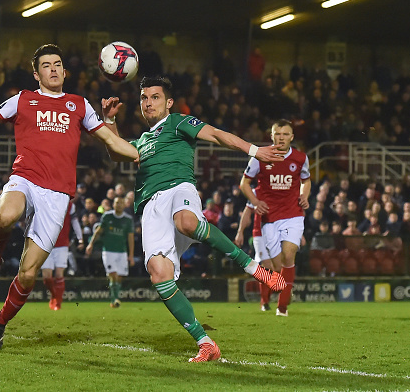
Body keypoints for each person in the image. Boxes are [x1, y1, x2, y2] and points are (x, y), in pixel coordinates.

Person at [0, 44, 138, 352]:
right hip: (25, 179)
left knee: (27, 275)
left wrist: (141, 154)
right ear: (36, 73)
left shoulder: (79, 105)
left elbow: (110, 140)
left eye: (58, 64)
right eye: (46, 65)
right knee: (5, 216)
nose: (53, 69)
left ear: (64, 71)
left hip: (57, 196)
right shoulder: (24, 100)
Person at [105, 76, 285, 363]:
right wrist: (109, 121)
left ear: (169, 103)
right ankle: (205, 343)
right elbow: (117, 153)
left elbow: (215, 134)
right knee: (159, 275)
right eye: (144, 98)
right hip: (151, 207)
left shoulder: (178, 122)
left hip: (178, 189)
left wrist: (255, 151)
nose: (148, 102)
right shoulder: (142, 141)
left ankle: (252, 267)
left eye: (155, 97)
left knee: (187, 222)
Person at [240, 118, 311, 317]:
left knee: (289, 256)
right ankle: (266, 300)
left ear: (291, 137)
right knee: (273, 265)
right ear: (271, 136)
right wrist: (255, 202)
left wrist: (304, 195)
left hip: (293, 215)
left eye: (285, 134)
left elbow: (306, 180)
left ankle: (282, 307)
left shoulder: (300, 158)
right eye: (277, 134)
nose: (281, 138)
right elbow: (244, 184)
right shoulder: (260, 157)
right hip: (269, 219)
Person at [85, 196, 134, 308]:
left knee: (120, 276)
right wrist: (91, 244)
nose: (119, 205)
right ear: (113, 204)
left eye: (121, 203)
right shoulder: (107, 217)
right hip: (108, 251)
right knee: (113, 275)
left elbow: (130, 238)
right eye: (117, 203)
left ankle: (114, 299)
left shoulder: (128, 220)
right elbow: (98, 231)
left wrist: (130, 255)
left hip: (122, 252)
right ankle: (115, 299)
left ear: (124, 205)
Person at [40, 201, 83, 311]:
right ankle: (54, 295)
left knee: (59, 274)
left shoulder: (69, 205)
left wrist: (80, 237)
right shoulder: (43, 202)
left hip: (62, 244)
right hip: (46, 243)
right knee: (46, 277)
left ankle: (57, 302)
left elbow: (75, 222)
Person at [234, 199, 276, 311]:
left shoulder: (280, 191)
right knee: (267, 267)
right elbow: (247, 211)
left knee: (276, 268)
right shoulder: (255, 193)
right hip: (260, 234)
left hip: (277, 233)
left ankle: (267, 299)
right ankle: (264, 302)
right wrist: (240, 231)